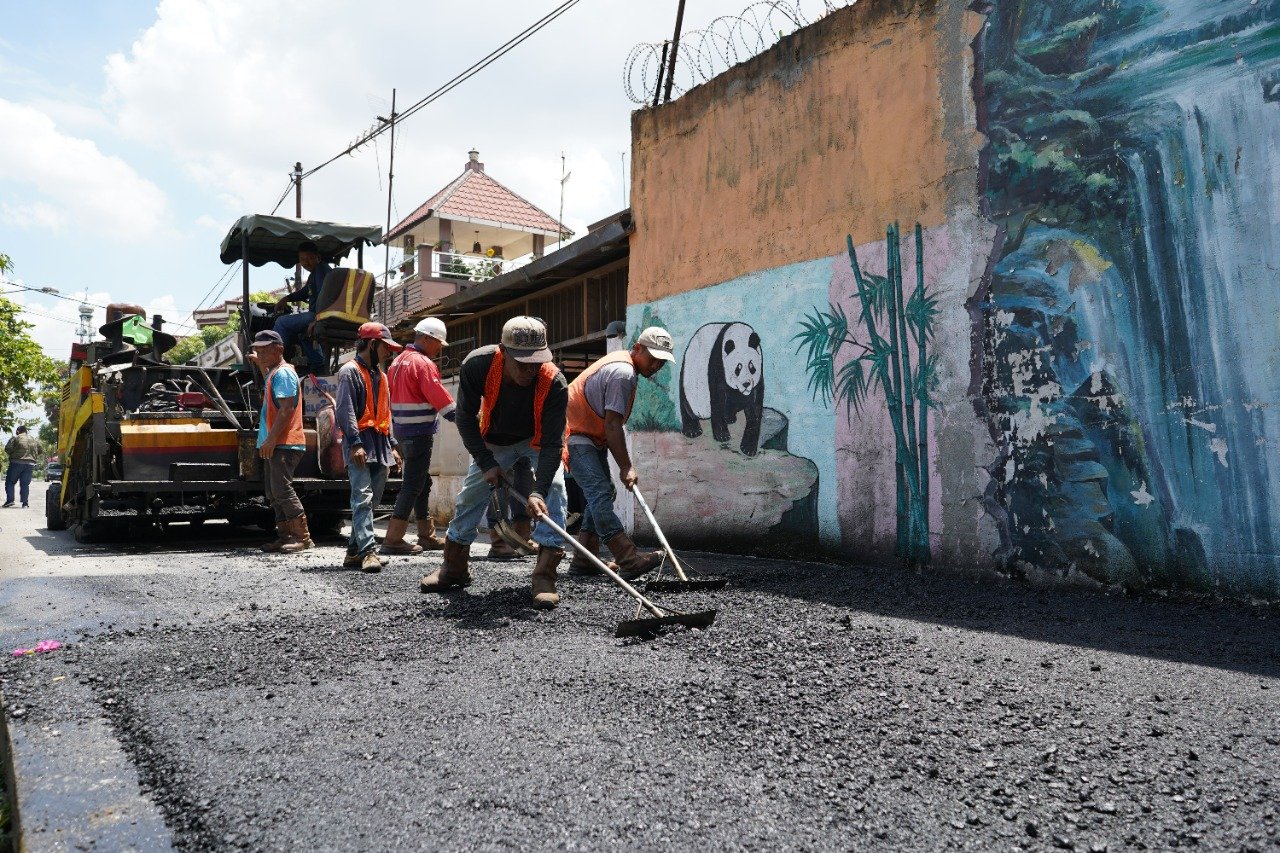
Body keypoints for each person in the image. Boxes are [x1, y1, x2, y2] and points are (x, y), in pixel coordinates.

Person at [420, 316, 569, 609]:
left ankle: (544, 575)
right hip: (495, 440)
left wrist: (537, 491)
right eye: (522, 362)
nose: (529, 370)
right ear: (503, 351)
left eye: (535, 362)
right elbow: (464, 417)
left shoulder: (555, 383)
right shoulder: (479, 365)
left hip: (536, 439)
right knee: (471, 495)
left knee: (556, 490)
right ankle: (454, 568)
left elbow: (552, 444)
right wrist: (487, 462)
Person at [565, 327, 675, 578]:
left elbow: (610, 425)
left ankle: (584, 559)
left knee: (603, 493)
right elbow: (612, 425)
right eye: (653, 358)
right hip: (575, 433)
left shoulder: (626, 367)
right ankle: (627, 557)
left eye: (662, 361)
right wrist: (626, 466)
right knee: (600, 493)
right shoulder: (623, 373)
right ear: (637, 348)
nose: (657, 365)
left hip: (589, 433)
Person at [383, 316, 456, 555]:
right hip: (419, 433)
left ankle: (427, 535)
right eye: (437, 343)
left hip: (403, 433)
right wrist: (463, 417)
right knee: (413, 485)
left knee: (423, 482)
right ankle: (394, 539)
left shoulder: (396, 363)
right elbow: (439, 397)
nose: (438, 349)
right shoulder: (422, 364)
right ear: (426, 338)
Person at [336, 322, 402, 572]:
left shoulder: (381, 376)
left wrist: (393, 445)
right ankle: (368, 551)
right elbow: (345, 410)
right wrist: (354, 443)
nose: (389, 353)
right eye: (385, 347)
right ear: (372, 344)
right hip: (361, 444)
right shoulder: (349, 372)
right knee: (362, 498)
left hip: (380, 444)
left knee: (370, 501)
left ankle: (354, 551)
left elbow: (386, 413)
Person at [251, 330, 313, 553]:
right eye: (258, 349)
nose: (261, 353)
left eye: (265, 349)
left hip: (284, 443)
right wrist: (261, 363)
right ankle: (285, 535)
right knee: (274, 492)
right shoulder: (276, 372)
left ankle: (301, 537)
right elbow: (271, 383)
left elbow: (286, 409)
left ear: (279, 349)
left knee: (282, 490)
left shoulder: (284, 374)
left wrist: (271, 439)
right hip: (278, 442)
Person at [273, 240, 330, 376]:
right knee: (301, 333)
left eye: (310, 258)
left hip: (317, 315)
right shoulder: (315, 274)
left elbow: (326, 296)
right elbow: (304, 292)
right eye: (303, 259)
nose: (306, 262)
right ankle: (318, 365)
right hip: (317, 314)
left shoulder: (322, 271)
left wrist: (317, 319)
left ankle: (274, 363)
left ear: (318, 257)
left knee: (281, 322)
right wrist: (287, 298)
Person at [483, 456, 535, 559]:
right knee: (501, 477)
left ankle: (522, 537)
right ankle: (499, 542)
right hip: (499, 445)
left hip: (526, 442)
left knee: (526, 474)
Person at [3, 426, 41, 508]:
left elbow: (8, 449)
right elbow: (40, 450)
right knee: (25, 484)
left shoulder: (15, 438)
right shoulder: (33, 439)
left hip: (16, 462)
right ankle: (25, 504)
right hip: (30, 464)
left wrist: (14, 453)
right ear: (26, 431)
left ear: (17, 431)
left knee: (10, 482)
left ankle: (10, 501)